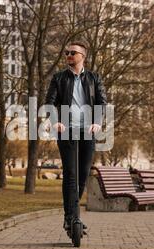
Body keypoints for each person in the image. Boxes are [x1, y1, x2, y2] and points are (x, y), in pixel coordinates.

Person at [44, 41, 107, 231]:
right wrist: (55, 121)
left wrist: (97, 121)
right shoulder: (59, 78)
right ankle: (71, 217)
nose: (68, 55)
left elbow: (102, 102)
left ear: (83, 56)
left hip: (88, 130)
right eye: (66, 53)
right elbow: (50, 101)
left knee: (83, 175)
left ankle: (71, 216)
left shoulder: (94, 78)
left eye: (73, 53)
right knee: (70, 174)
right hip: (67, 130)